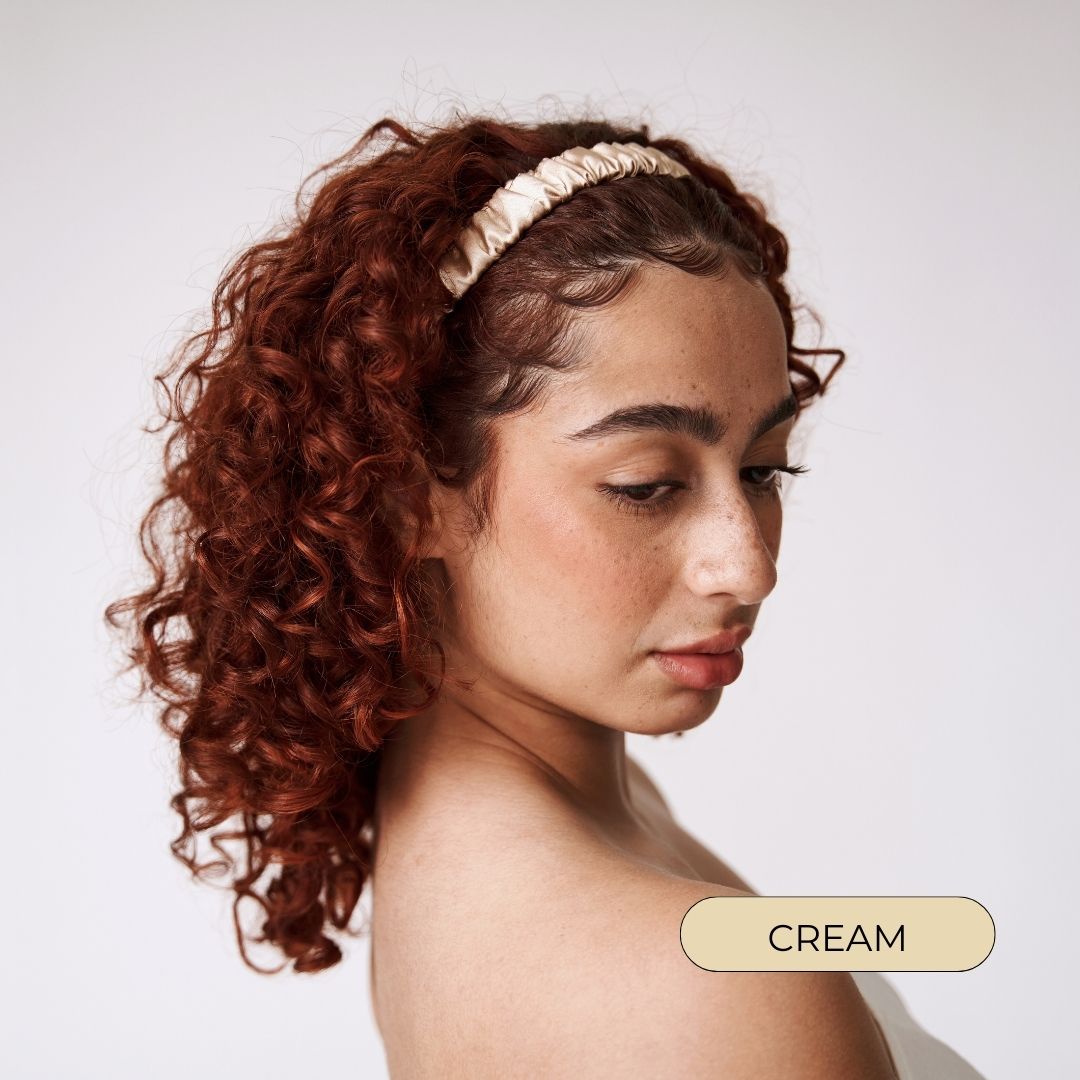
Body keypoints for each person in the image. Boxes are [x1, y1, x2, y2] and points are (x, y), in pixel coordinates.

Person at [106, 109, 987, 1078]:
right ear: (406, 499)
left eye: (765, 469)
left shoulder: (529, 818)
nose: (749, 568)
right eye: (645, 485)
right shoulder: (710, 993)